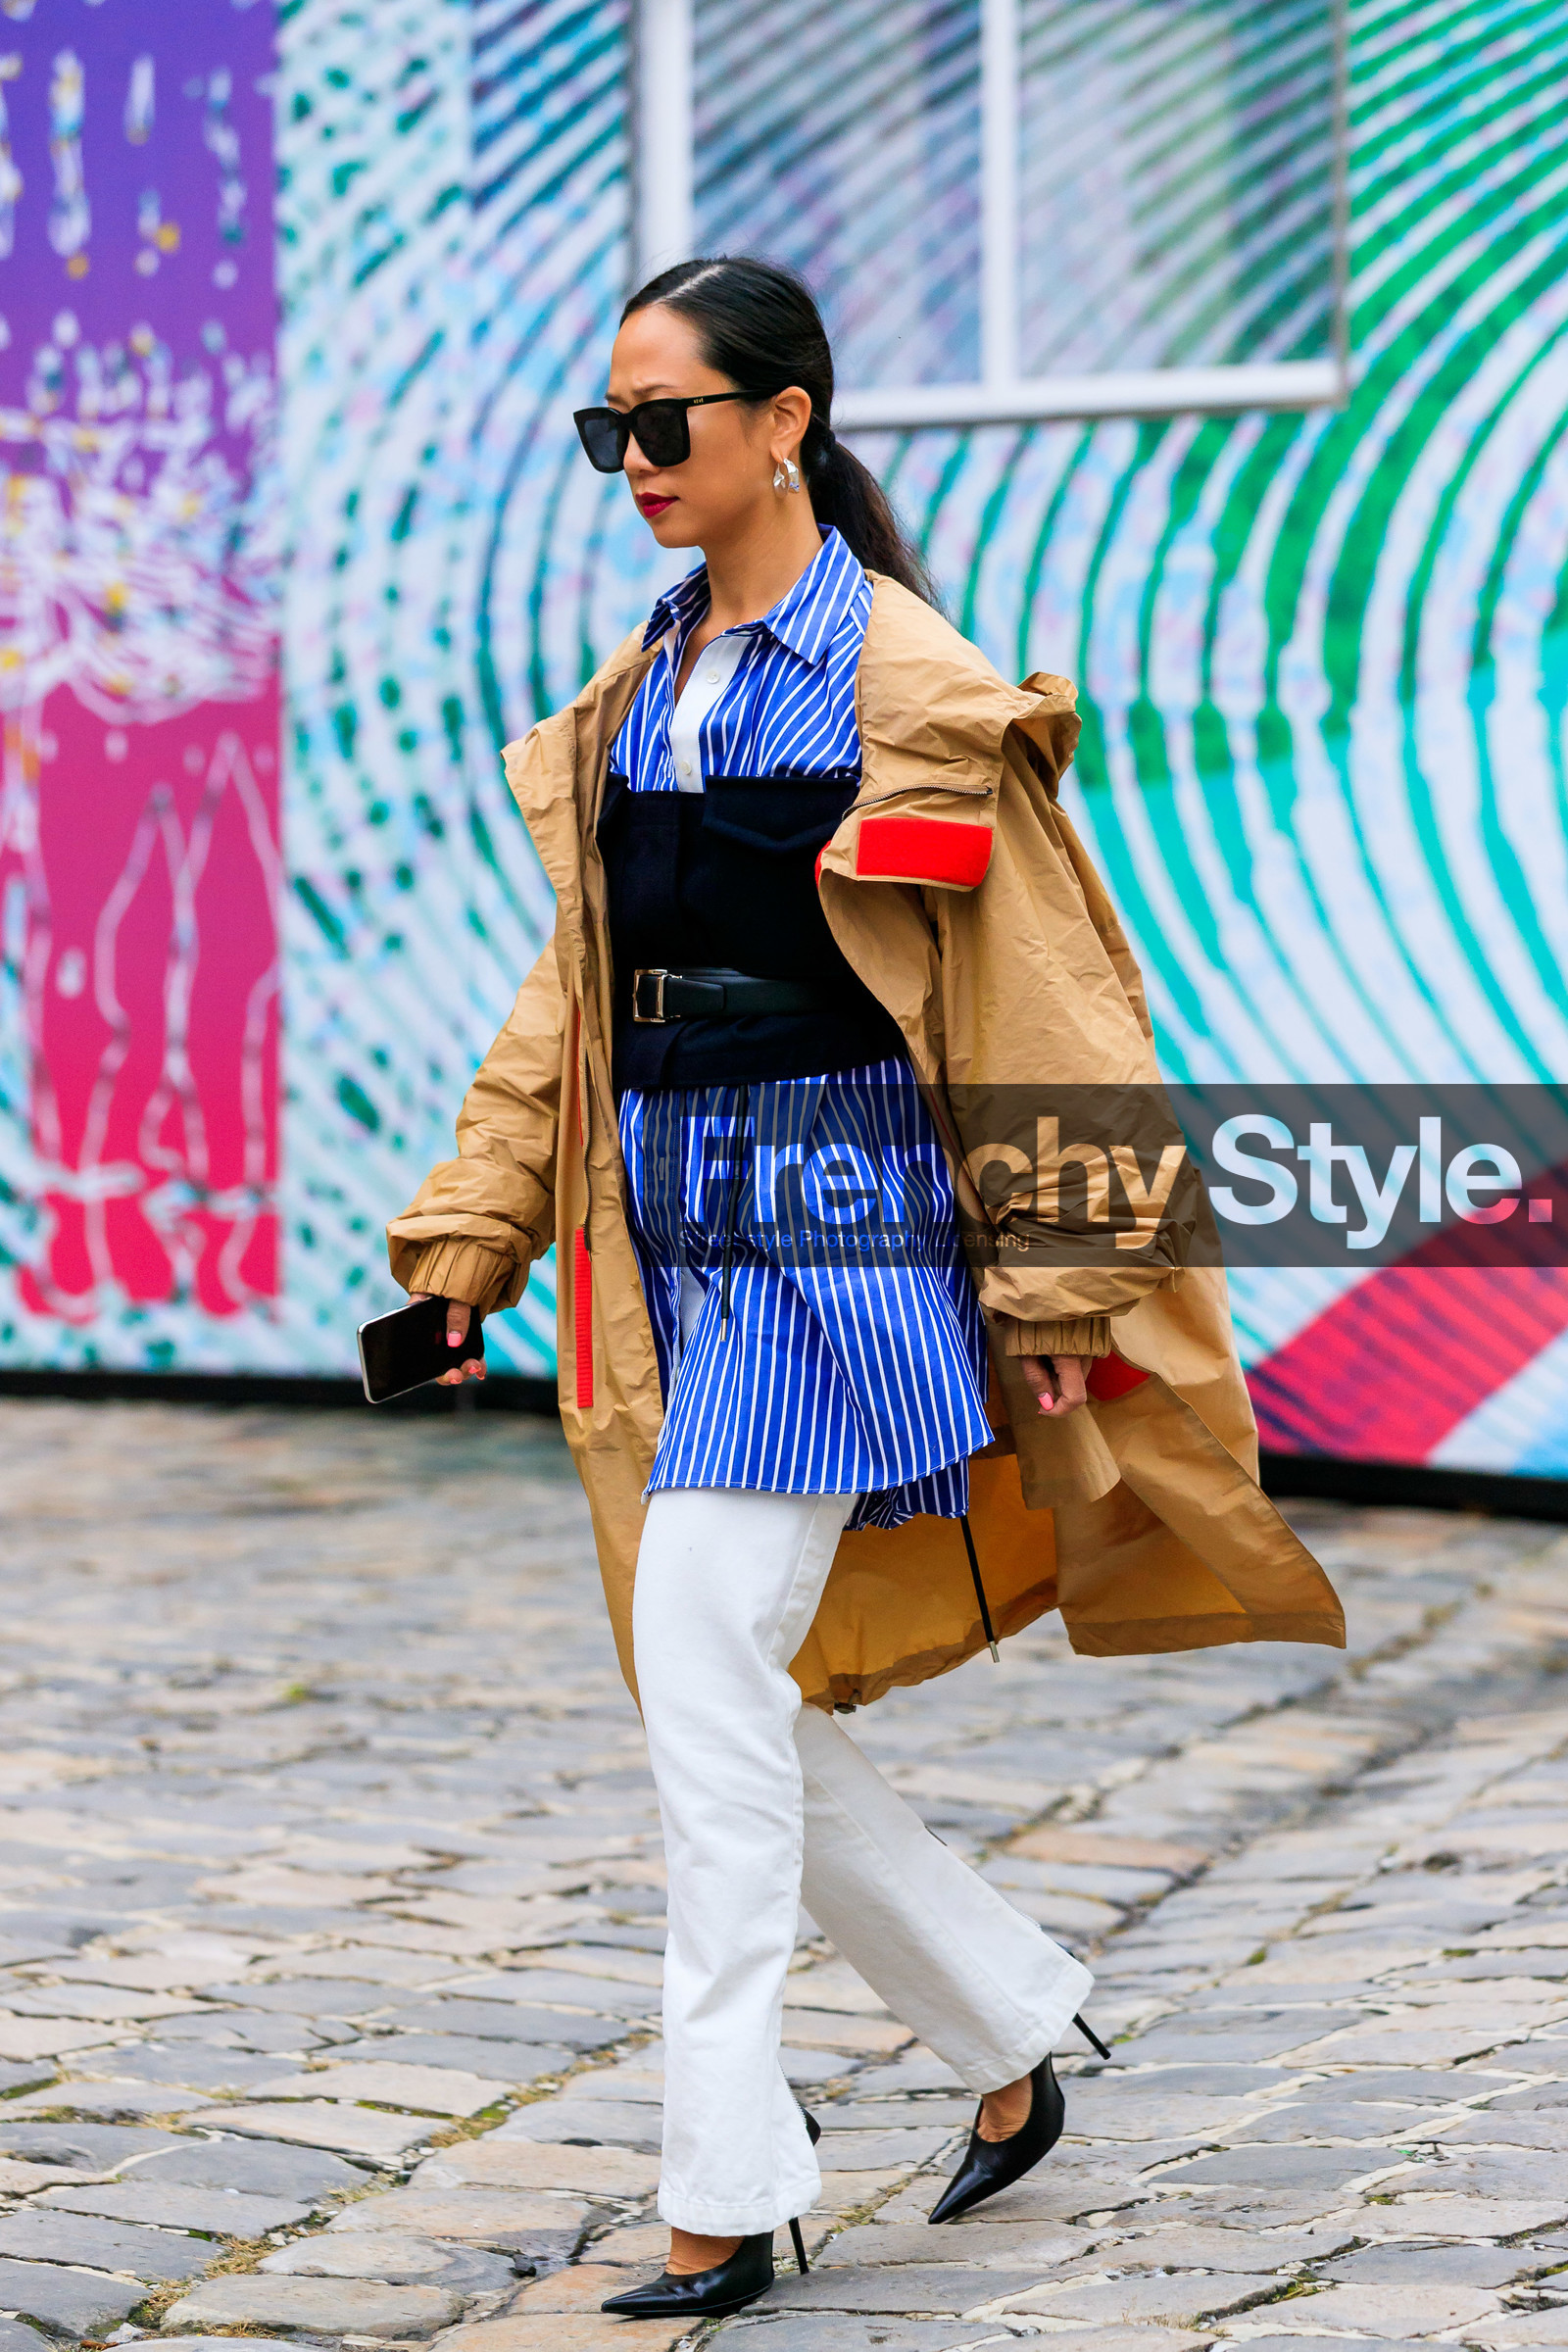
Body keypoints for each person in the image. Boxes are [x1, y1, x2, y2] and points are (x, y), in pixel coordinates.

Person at [387, 256, 1345, 2323]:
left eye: (664, 423)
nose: (630, 463)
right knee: (710, 1687)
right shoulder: (642, 688)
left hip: (835, 1233)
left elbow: (1042, 1011)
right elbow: (578, 1000)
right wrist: (471, 1238)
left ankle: (724, 2193)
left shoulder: (907, 690)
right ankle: (1006, 2035)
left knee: (707, 1687)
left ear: (782, 421)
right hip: (666, 1240)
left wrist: (1072, 1288)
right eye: (606, 431)